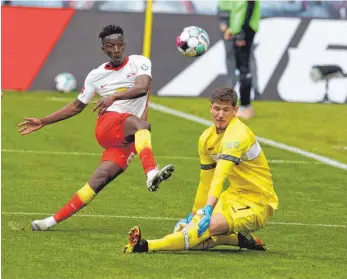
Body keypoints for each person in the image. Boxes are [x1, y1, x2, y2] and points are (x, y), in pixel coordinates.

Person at [17, 24, 174, 231]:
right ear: (104, 49)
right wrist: (44, 121)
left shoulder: (140, 62)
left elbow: (142, 87)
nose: (116, 50)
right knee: (142, 125)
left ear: (124, 45)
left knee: (98, 181)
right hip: (108, 126)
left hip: (128, 138)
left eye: (119, 45)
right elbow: (76, 106)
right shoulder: (95, 76)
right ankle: (151, 173)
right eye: (110, 46)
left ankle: (50, 221)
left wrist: (115, 96)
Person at [123, 87, 278, 253]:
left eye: (226, 110)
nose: (220, 114)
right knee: (196, 235)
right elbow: (206, 181)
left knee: (204, 229)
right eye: (217, 109)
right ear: (210, 108)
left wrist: (208, 209)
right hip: (232, 196)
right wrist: (195, 213)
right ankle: (239, 239)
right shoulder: (206, 138)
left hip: (258, 202)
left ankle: (146, 245)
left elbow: (220, 175)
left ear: (235, 111)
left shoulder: (237, 135)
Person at [218, 0, 261, 120]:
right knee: (242, 66)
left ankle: (246, 106)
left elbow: (247, 9)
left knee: (244, 68)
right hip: (240, 29)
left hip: (243, 30)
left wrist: (239, 32)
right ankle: (246, 106)